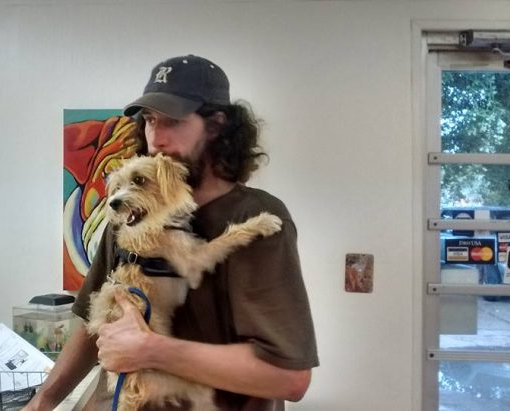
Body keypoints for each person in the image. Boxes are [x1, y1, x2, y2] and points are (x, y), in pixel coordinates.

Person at [24, 54, 319, 411]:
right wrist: (45, 399)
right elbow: (92, 318)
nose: (156, 139)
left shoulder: (255, 217)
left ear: (216, 126)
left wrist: (151, 350)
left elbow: (288, 378)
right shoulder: (133, 212)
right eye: (149, 121)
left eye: (173, 122)